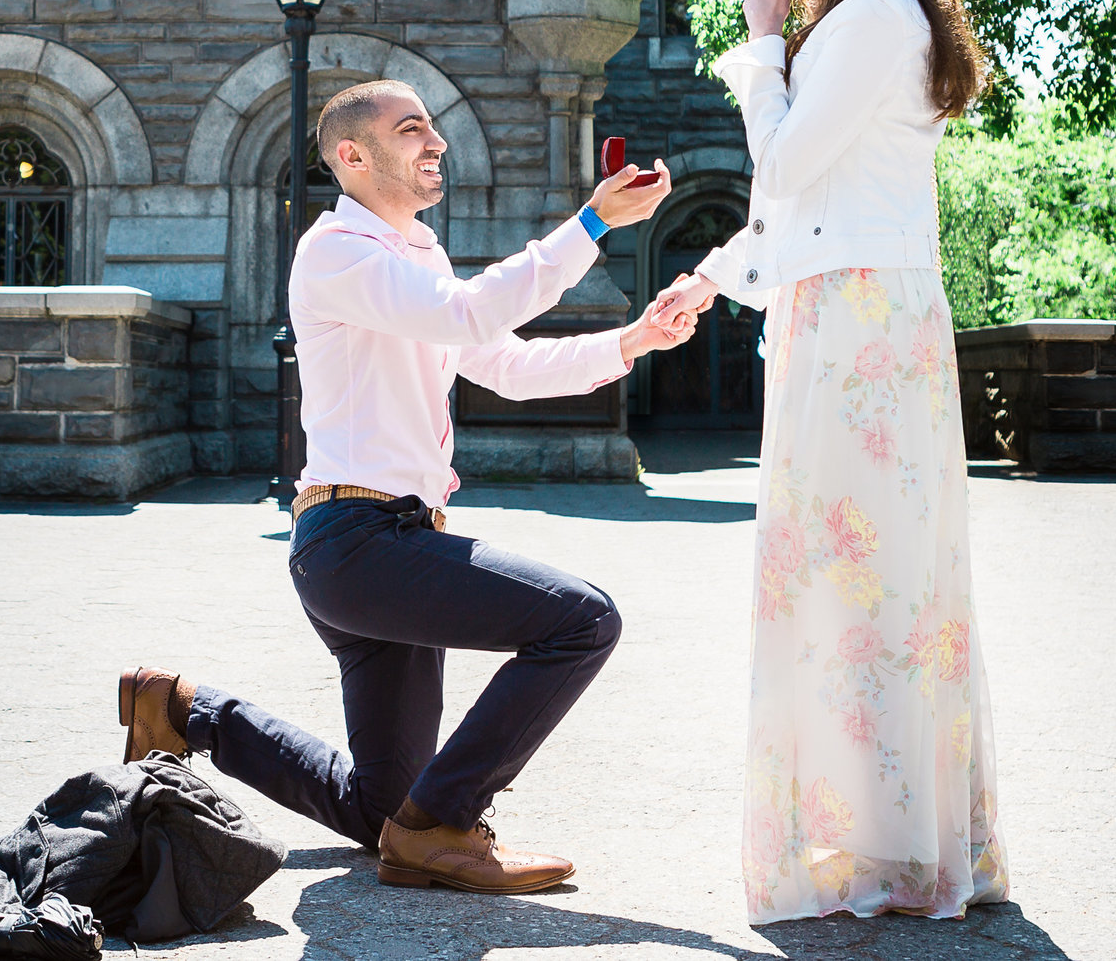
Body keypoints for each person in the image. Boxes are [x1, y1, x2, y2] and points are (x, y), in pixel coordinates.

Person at [116, 80, 699, 894]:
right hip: (359, 543)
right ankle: (447, 821)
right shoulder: (335, 251)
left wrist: (635, 337)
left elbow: (503, 362)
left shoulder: (418, 255)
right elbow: (470, 315)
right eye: (412, 128)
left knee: (380, 809)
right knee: (583, 620)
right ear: (353, 156)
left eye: (433, 126)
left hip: (384, 548)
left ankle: (181, 709)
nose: (438, 143)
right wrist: (592, 221)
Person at [652, 0, 1009, 924]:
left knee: (856, 587)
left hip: (858, 326)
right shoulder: (883, 12)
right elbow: (803, 207)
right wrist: (711, 279)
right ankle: (893, 837)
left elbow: (785, 160)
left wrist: (761, 46)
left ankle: (883, 846)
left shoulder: (870, 16)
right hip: (854, 309)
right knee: (872, 586)